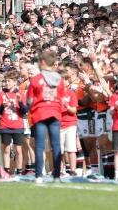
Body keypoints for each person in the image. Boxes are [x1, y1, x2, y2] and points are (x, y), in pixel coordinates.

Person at [27, 49, 67, 183]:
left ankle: (38, 176)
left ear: (42, 62)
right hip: (55, 112)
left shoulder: (36, 79)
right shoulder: (59, 79)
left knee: (39, 145)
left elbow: (29, 100)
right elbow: (62, 97)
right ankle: (56, 175)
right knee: (56, 144)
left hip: (40, 113)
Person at [0, 70, 28, 175]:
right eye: (5, 81)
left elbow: (24, 111)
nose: (6, 83)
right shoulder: (1, 94)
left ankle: (19, 171)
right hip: (5, 125)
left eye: (9, 81)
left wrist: (20, 102)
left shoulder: (20, 93)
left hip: (18, 125)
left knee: (18, 150)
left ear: (14, 82)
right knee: (6, 150)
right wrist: (2, 107)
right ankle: (7, 171)